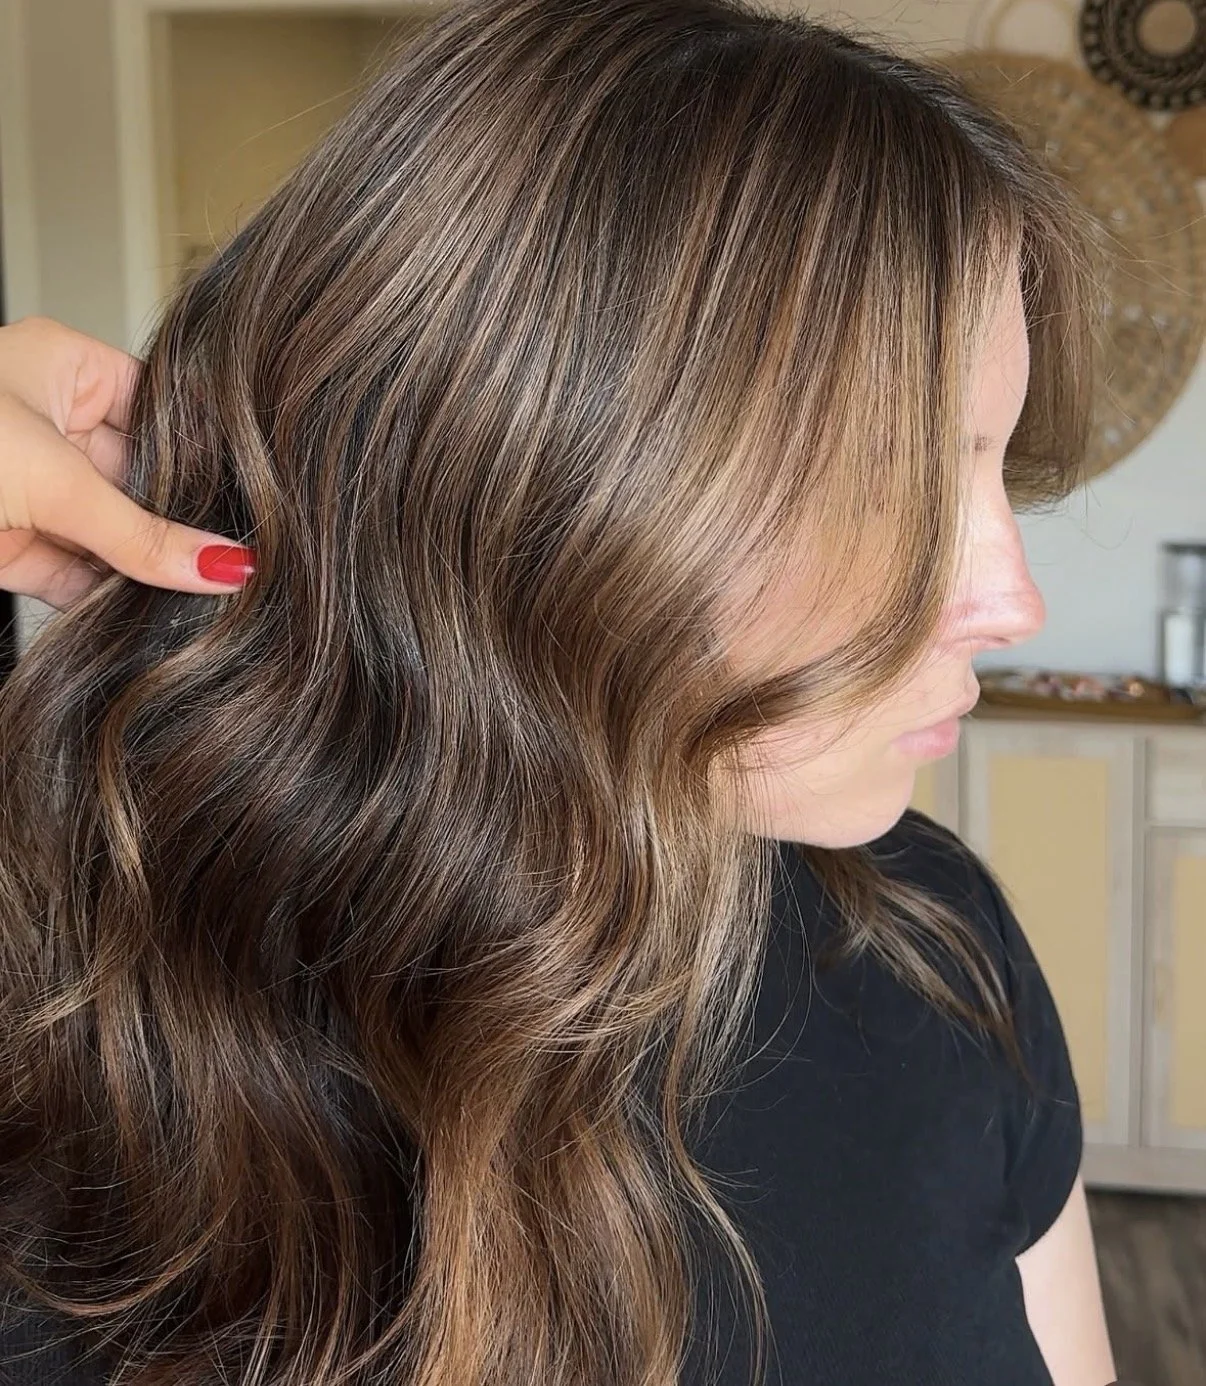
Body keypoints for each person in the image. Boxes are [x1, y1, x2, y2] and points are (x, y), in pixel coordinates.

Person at [0, 0, 1119, 1383]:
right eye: (887, 483)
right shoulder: (77, 1030)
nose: (1011, 600)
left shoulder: (932, 943)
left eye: (992, 469)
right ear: (532, 486)